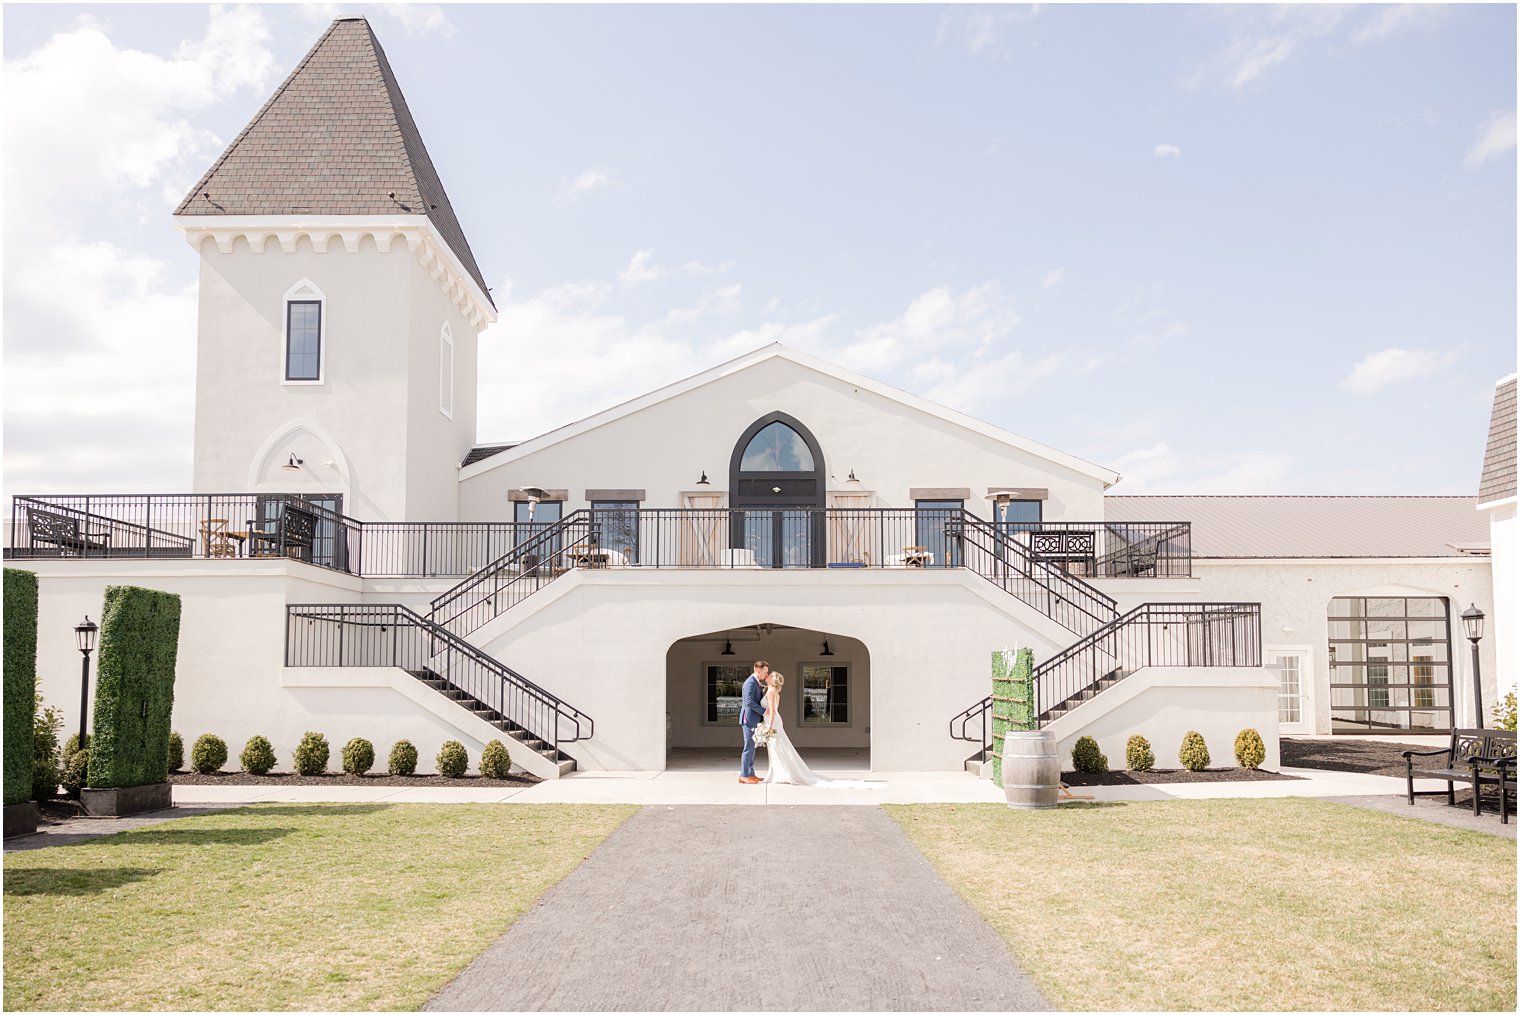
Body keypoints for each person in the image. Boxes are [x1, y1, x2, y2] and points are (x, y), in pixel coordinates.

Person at [760, 671, 879, 790]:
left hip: (773, 723)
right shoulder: (774, 692)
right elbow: (774, 710)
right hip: (775, 721)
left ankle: (781, 774)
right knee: (778, 747)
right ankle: (781, 773)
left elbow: (773, 711)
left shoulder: (771, 693)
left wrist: (769, 727)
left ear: (772, 680)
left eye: (769, 675)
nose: (767, 676)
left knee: (778, 747)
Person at [738, 660, 769, 784]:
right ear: (758, 670)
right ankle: (744, 775)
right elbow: (749, 701)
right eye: (765, 672)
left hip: (754, 719)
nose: (766, 675)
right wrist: (763, 711)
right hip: (749, 719)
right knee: (748, 747)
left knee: (752, 747)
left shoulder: (756, 682)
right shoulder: (750, 683)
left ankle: (750, 773)